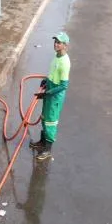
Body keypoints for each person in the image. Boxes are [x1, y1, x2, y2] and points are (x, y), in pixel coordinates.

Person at [30, 32, 71, 161]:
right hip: (50, 90)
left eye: (59, 43)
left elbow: (63, 85)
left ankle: (47, 150)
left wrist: (47, 93)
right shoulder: (56, 56)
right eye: (55, 42)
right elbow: (53, 73)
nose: (56, 44)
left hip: (55, 97)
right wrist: (46, 81)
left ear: (65, 45)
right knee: (44, 118)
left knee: (50, 122)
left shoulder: (65, 63)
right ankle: (42, 142)